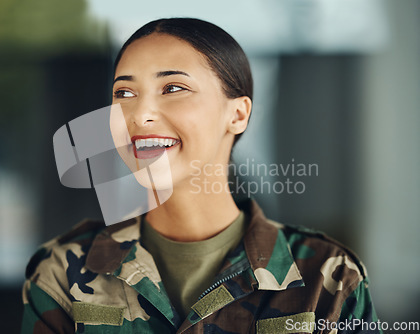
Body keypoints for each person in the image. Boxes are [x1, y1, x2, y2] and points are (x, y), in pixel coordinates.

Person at [21, 18, 381, 334]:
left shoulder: (327, 277)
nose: (140, 114)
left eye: (173, 88)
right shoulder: (62, 271)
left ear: (237, 114)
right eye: (124, 92)